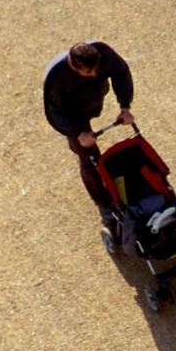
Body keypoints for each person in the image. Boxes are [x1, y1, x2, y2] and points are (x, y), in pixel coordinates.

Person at [43, 40, 135, 218]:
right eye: (88, 72)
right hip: (73, 114)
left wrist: (125, 106)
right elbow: (55, 112)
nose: (94, 74)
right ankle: (105, 207)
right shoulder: (56, 77)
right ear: (74, 67)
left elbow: (121, 73)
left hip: (92, 100)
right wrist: (78, 133)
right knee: (89, 157)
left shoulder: (103, 54)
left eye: (96, 69)